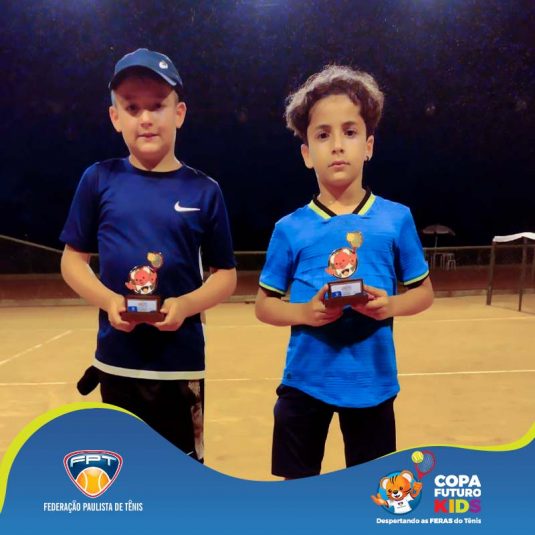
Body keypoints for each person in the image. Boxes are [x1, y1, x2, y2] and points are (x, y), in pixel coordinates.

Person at [255, 65, 434, 479]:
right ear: (306, 154)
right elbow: (264, 306)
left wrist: (390, 305)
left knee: (370, 494)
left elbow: (424, 293)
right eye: (323, 135)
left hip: (373, 384)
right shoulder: (290, 228)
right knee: (298, 492)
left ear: (368, 146)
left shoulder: (396, 219)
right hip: (305, 382)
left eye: (350, 132)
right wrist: (306, 313)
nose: (337, 146)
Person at [60, 49, 237, 462]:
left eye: (157, 106)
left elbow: (225, 276)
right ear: (115, 117)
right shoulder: (98, 179)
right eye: (132, 107)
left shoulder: (204, 190)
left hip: (180, 365)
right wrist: (109, 300)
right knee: (126, 473)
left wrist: (185, 305)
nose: (145, 118)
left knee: (181, 475)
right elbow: (72, 261)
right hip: (117, 362)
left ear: (179, 113)